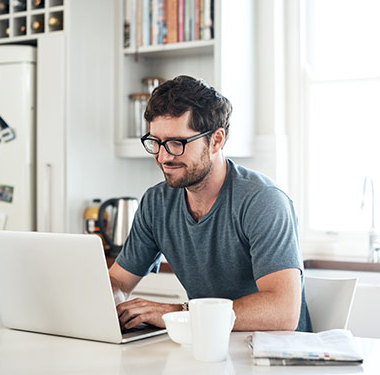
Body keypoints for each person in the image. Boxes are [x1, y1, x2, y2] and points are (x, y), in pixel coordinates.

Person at [109, 75, 311, 332]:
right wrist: (110, 305)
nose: (163, 156)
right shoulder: (156, 202)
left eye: (176, 143)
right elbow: (117, 281)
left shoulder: (263, 201)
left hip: (273, 356)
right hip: (207, 346)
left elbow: (282, 312)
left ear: (216, 140)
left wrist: (178, 313)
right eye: (156, 142)